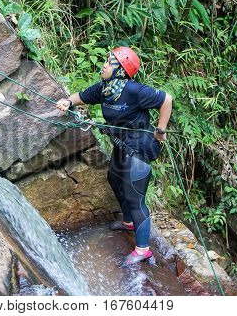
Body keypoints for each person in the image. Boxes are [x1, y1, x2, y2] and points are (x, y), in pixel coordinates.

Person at [56, 47, 173, 265]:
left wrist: (161, 130)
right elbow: (81, 97)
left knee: (135, 197)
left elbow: (166, 100)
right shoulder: (106, 89)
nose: (104, 66)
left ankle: (143, 249)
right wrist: (68, 102)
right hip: (121, 147)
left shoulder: (135, 90)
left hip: (138, 149)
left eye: (109, 63)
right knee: (113, 179)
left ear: (121, 70)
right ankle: (129, 222)